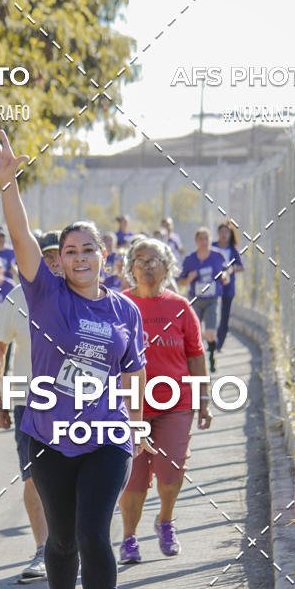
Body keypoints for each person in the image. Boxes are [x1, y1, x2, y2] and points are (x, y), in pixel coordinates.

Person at [0, 130, 147, 589]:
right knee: (59, 539)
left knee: (91, 535)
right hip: (49, 436)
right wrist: (10, 183)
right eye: (70, 252)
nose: (78, 258)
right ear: (60, 260)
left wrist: (137, 421)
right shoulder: (44, 293)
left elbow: (133, 373)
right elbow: (21, 236)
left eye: (88, 250)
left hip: (107, 438)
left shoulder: (125, 312)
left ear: (105, 257)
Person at [119, 238, 211, 562]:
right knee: (134, 479)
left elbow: (196, 356)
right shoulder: (119, 306)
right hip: (130, 408)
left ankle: (165, 521)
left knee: (171, 470)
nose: (146, 265)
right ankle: (129, 537)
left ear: (166, 266)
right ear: (130, 267)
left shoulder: (180, 307)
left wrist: (203, 399)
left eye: (153, 259)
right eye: (140, 260)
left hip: (175, 402)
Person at [0, 232, 63, 581]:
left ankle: (73, 546)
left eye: (55, 256)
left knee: (76, 479)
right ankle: (43, 551)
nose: (50, 263)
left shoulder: (80, 296)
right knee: (34, 478)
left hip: (80, 405)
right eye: (44, 256)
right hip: (29, 404)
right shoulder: (17, 298)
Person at [177, 227, 229, 373]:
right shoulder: (189, 259)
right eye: (201, 239)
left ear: (210, 240)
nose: (204, 242)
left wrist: (225, 277)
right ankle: (197, 361)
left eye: (206, 238)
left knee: (210, 333)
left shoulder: (217, 256)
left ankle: (212, 355)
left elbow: (226, 271)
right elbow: (181, 281)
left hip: (212, 299)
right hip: (195, 301)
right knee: (194, 333)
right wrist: (189, 279)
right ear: (196, 241)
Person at [214, 221, 244, 351]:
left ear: (230, 234)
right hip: (213, 286)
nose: (224, 235)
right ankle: (210, 339)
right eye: (221, 232)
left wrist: (231, 269)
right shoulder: (212, 247)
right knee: (212, 312)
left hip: (228, 287)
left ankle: (219, 342)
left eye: (226, 232)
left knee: (225, 315)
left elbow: (241, 266)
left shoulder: (232, 250)